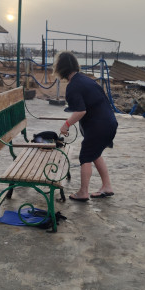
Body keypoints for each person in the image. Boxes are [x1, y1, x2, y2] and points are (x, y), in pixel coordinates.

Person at [53, 51, 118, 202]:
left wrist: (66, 125)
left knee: (85, 156)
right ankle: (107, 186)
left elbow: (81, 111)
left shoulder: (73, 86)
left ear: (60, 68)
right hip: (110, 123)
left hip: (99, 126)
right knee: (94, 153)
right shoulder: (85, 79)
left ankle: (83, 192)